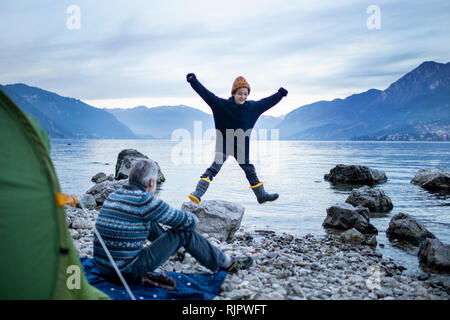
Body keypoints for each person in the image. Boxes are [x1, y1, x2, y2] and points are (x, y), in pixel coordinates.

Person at [93, 159, 253, 284]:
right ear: (151, 183)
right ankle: (225, 263)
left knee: (149, 221)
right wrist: (193, 218)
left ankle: (177, 252)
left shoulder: (114, 195)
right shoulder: (143, 200)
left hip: (102, 267)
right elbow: (185, 222)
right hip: (126, 272)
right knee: (183, 233)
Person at [186, 73, 288, 204]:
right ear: (234, 93)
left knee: (249, 170)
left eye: (246, 94)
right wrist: (193, 81)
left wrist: (280, 94)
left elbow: (267, 102)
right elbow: (206, 94)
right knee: (214, 168)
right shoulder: (221, 105)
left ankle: (261, 195)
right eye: (240, 93)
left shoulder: (252, 108)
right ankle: (198, 193)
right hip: (223, 144)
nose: (243, 97)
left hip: (241, 146)